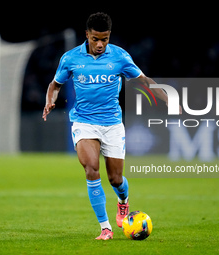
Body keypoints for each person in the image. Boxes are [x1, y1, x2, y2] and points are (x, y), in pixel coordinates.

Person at [42, 12, 181, 240]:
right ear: (87, 34)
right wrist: (50, 100)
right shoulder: (70, 58)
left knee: (116, 179)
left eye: (104, 39)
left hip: (112, 124)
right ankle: (105, 227)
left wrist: (168, 100)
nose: (100, 44)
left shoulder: (119, 57)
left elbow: (144, 81)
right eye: (95, 38)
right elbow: (55, 84)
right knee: (91, 169)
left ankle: (123, 202)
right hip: (84, 122)